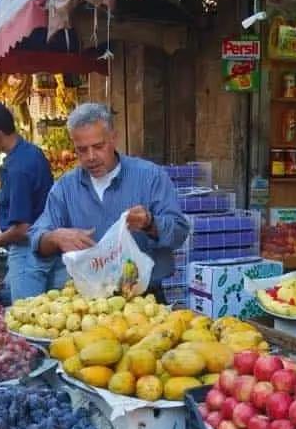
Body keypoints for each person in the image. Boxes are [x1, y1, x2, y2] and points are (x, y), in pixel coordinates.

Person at [28, 103, 189, 301]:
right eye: (82, 150)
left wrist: (150, 223)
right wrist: (55, 237)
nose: (91, 157)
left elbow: (180, 232)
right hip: (89, 304)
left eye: (98, 146)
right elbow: (37, 238)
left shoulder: (150, 176)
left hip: (146, 300)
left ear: (113, 138)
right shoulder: (65, 188)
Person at [0, 99, 65, 302]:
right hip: (45, 245)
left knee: (27, 315)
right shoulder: (31, 152)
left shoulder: (18, 168)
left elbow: (22, 228)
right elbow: (36, 200)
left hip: (29, 251)